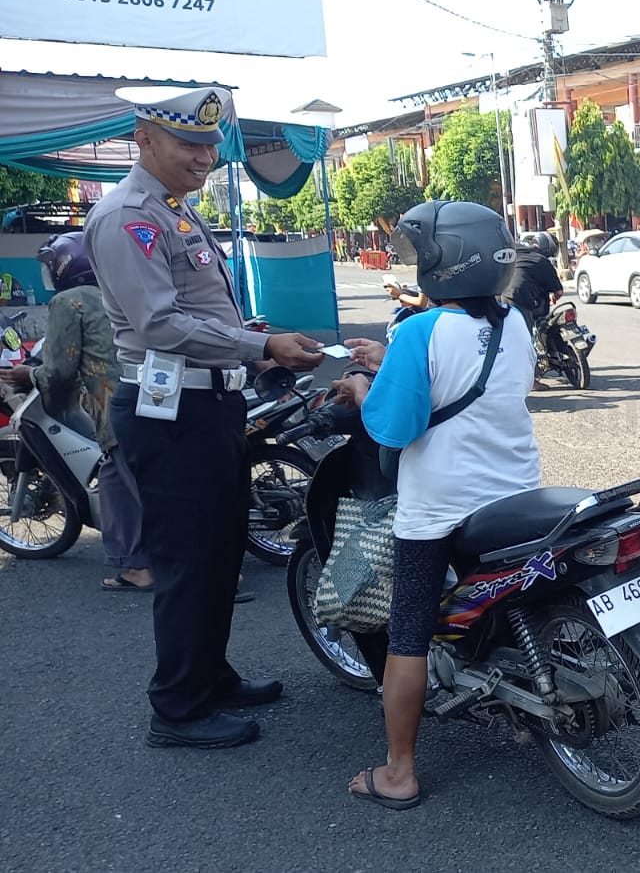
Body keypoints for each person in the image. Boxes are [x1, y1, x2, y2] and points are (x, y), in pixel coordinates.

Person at [87, 85, 325, 749]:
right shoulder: (127, 217)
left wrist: (249, 335)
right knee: (188, 558)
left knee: (220, 550)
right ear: (145, 138)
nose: (204, 157)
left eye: (210, 145)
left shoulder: (173, 212)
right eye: (190, 143)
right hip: (170, 411)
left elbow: (195, 312)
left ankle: (209, 675)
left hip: (208, 401)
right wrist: (260, 345)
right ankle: (177, 708)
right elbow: (159, 323)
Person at [332, 199, 542, 810]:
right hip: (516, 494)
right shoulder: (515, 321)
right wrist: (391, 362)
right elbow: (477, 382)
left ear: (441, 264)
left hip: (440, 509)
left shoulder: (420, 330)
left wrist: (364, 383)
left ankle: (399, 770)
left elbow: (392, 428)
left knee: (408, 633)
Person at [1, 233, 151, 592]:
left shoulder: (70, 301)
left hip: (118, 406)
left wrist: (27, 374)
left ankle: (135, 568)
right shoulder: (118, 290)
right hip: (158, 397)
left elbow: (59, 371)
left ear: (66, 265)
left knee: (116, 481)